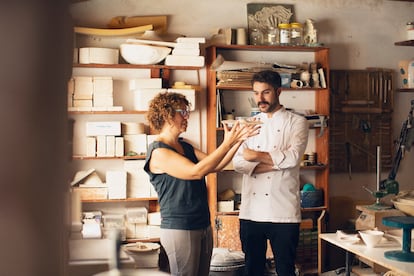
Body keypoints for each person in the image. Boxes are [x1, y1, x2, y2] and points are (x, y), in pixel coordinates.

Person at [144, 92, 260, 276]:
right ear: (166, 114)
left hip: (202, 224)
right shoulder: (159, 152)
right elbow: (195, 172)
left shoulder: (185, 146)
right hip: (179, 227)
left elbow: (217, 166)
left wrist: (237, 141)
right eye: (182, 112)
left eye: (186, 111)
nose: (186, 116)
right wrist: (227, 142)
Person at [232, 70, 309, 276]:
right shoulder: (248, 124)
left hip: (283, 211)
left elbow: (293, 157)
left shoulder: (297, 122)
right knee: (252, 270)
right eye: (256, 93)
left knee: (285, 270)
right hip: (250, 212)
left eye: (265, 93)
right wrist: (277, 162)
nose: (260, 99)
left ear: (278, 91)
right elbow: (238, 163)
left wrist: (253, 155)